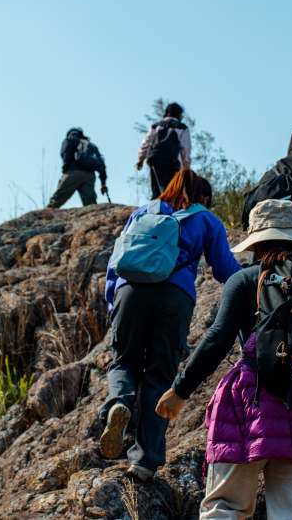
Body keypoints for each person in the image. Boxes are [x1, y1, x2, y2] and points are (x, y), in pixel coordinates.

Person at [156, 199, 292, 519]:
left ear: (258, 241)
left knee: (226, 508)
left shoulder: (247, 279)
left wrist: (180, 390)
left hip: (249, 405)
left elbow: (217, 340)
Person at [99, 170, 241, 481]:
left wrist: (114, 301)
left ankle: (119, 403)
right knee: (160, 375)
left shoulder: (142, 212)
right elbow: (225, 269)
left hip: (129, 291)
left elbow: (115, 260)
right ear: (204, 197)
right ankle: (144, 461)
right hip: (173, 296)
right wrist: (253, 284)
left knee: (124, 361)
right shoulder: (206, 220)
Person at [135, 102, 192, 198]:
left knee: (156, 191)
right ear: (179, 115)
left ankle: (154, 210)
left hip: (155, 159)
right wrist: (185, 168)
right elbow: (185, 149)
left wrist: (141, 159)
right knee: (170, 191)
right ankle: (168, 210)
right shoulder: (182, 127)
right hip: (172, 161)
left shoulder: (156, 126)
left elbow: (146, 143)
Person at [47, 127, 108, 208]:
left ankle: (43, 217)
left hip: (73, 172)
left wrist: (65, 171)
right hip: (90, 176)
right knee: (90, 205)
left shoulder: (69, 140)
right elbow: (101, 165)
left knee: (56, 200)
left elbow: (66, 155)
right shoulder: (92, 145)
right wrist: (103, 183)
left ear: (69, 134)